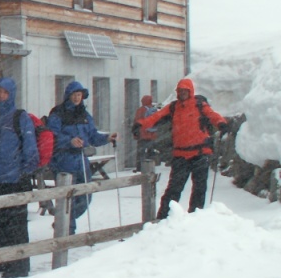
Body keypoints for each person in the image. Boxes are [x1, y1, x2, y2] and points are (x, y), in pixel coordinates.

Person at [134, 78, 228, 220]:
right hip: (181, 155)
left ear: (190, 91)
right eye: (180, 90)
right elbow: (156, 117)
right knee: (174, 189)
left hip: (200, 154)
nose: (182, 93)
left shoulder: (199, 105)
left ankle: (195, 217)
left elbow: (212, 115)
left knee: (199, 189)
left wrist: (221, 123)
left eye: (185, 90)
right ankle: (164, 218)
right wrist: (141, 125)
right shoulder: (173, 107)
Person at [0, 77, 39, 278]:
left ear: (12, 95)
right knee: (1, 223)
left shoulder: (20, 117)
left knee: (17, 224)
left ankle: (19, 265)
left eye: (5, 92)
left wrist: (25, 171)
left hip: (16, 179)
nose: (1, 96)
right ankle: (5, 260)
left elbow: (30, 147)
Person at [47, 81, 119, 235]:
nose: (76, 98)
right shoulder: (57, 114)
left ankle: (63, 222)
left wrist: (107, 138)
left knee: (86, 196)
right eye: (74, 94)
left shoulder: (85, 115)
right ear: (68, 95)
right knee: (67, 198)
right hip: (63, 161)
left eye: (79, 95)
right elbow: (51, 137)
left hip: (81, 161)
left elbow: (92, 136)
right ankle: (67, 232)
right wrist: (69, 141)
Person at [132, 94, 158, 171]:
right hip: (152, 135)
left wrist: (135, 132)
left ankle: (140, 167)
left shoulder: (141, 110)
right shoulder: (154, 110)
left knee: (141, 152)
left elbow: (137, 121)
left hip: (143, 134)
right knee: (151, 151)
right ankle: (150, 167)